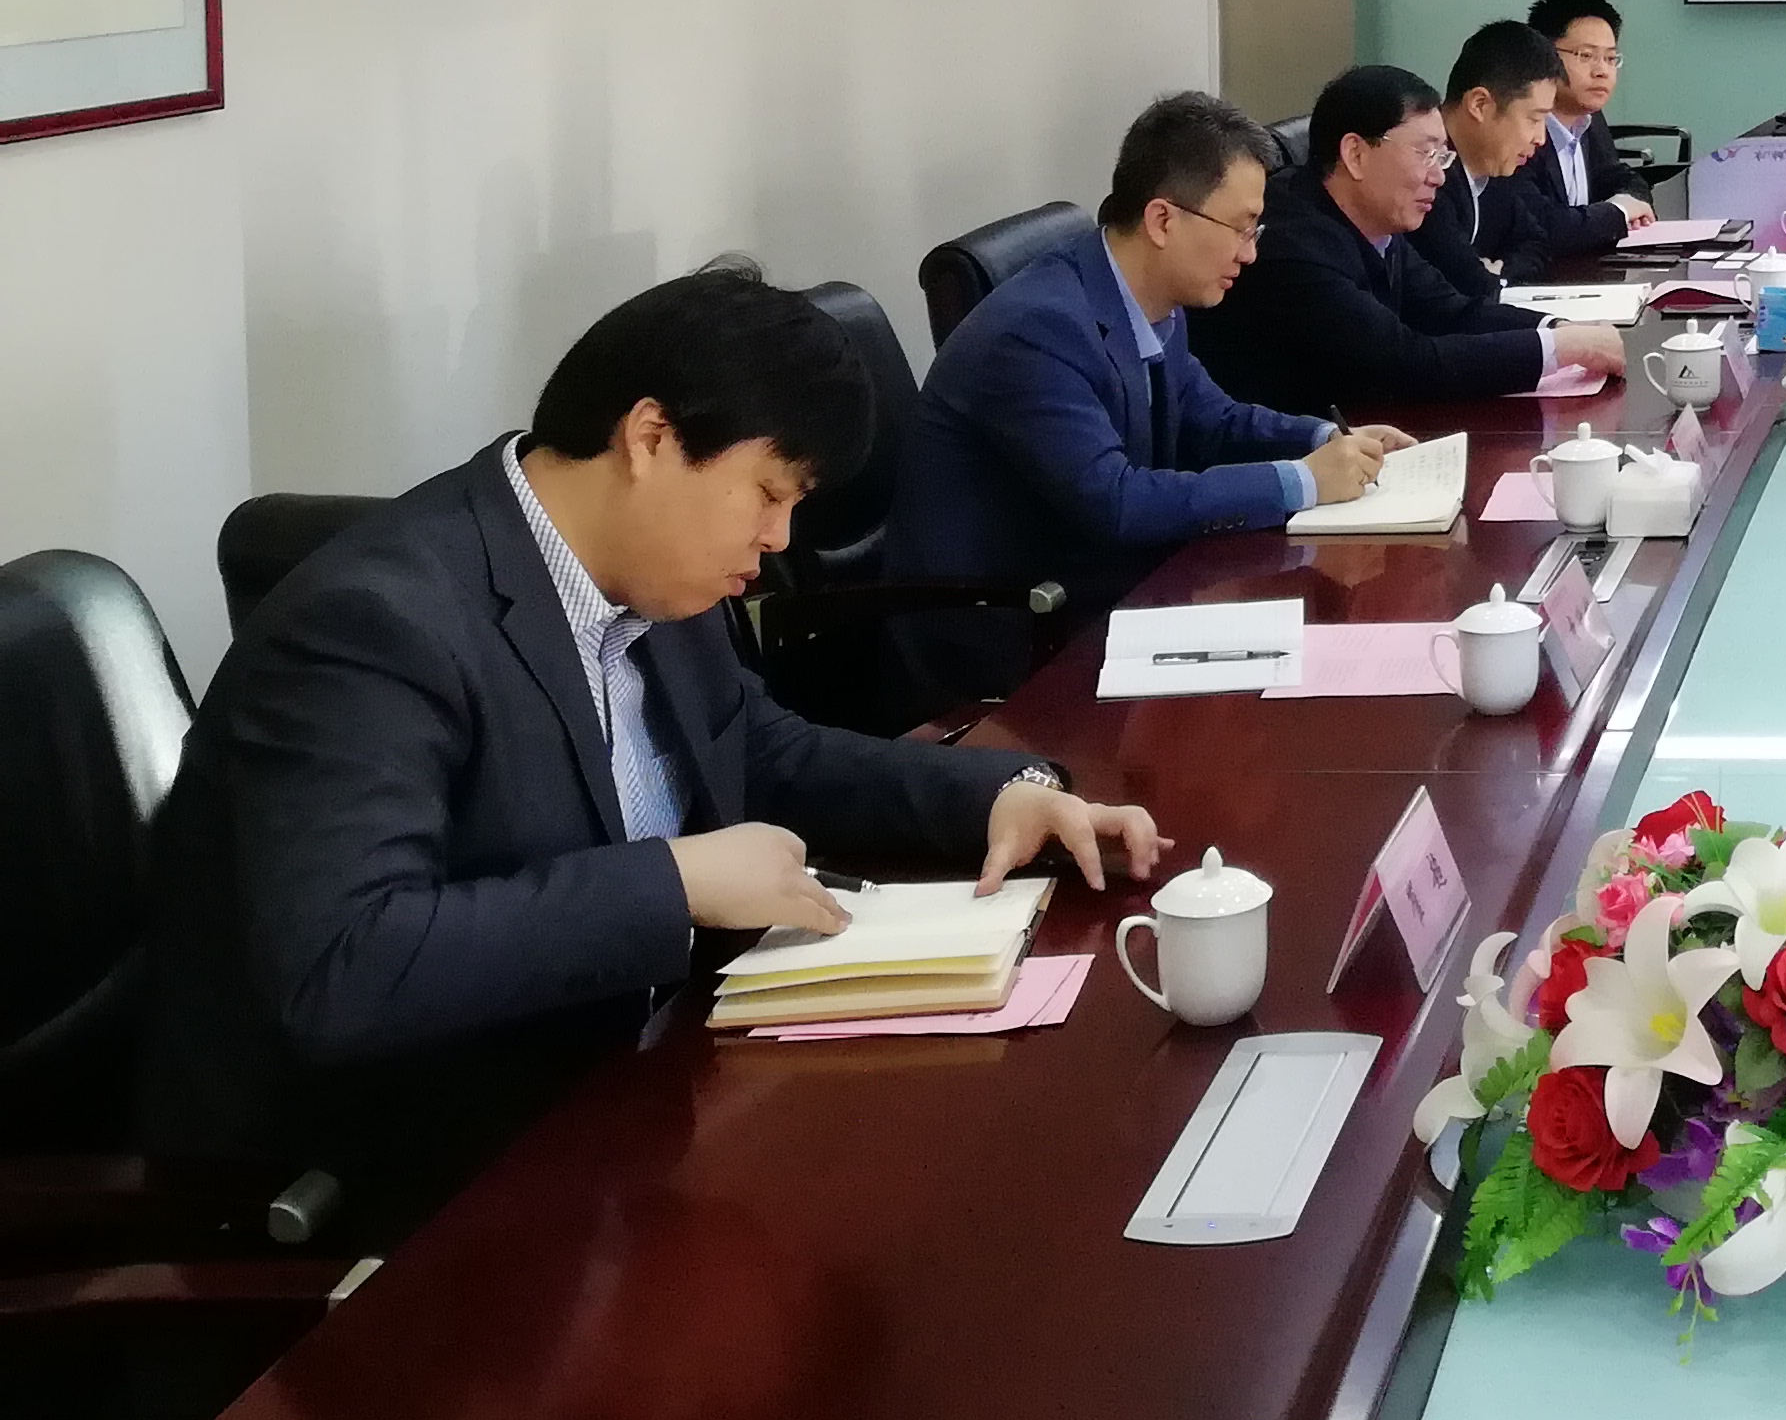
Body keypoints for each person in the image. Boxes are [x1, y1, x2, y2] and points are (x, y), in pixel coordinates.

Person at [138, 265, 1172, 1239]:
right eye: (769, 492)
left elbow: (756, 750)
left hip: (627, 1095)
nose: (780, 539)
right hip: (414, 1182)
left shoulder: (648, 573)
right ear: (650, 438)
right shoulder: (375, 626)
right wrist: (673, 883)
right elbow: (344, 968)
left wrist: (994, 793)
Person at [891, 92, 1407, 689]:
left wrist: (1321, 437)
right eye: (1241, 228)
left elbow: (1210, 415)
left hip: (1108, 589)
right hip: (1014, 633)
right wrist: (1303, 481)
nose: (1251, 252)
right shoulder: (1038, 329)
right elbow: (1118, 501)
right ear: (1163, 220)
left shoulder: (1149, 293)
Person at [1195, 64, 1626, 416]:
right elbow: (1404, 363)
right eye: (1425, 153)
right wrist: (1557, 349)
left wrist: (1557, 328)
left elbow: (1452, 311)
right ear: (1356, 154)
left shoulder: (1377, 223)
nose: (1438, 175)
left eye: (1443, 156)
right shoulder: (1292, 243)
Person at [1412, 19, 1570, 306]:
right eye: (1534, 119)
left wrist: (1499, 275)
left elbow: (1536, 243)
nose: (1540, 138)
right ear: (1480, 105)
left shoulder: (1494, 167)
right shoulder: (1426, 176)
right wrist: (1488, 279)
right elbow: (1466, 282)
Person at [1513, 0, 1657, 258]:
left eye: (1610, 58)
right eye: (1586, 56)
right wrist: (1618, 212)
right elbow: (1540, 225)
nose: (1602, 71)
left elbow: (1619, 177)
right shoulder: (1519, 127)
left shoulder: (1589, 117)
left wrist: (1628, 200)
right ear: (1545, 55)